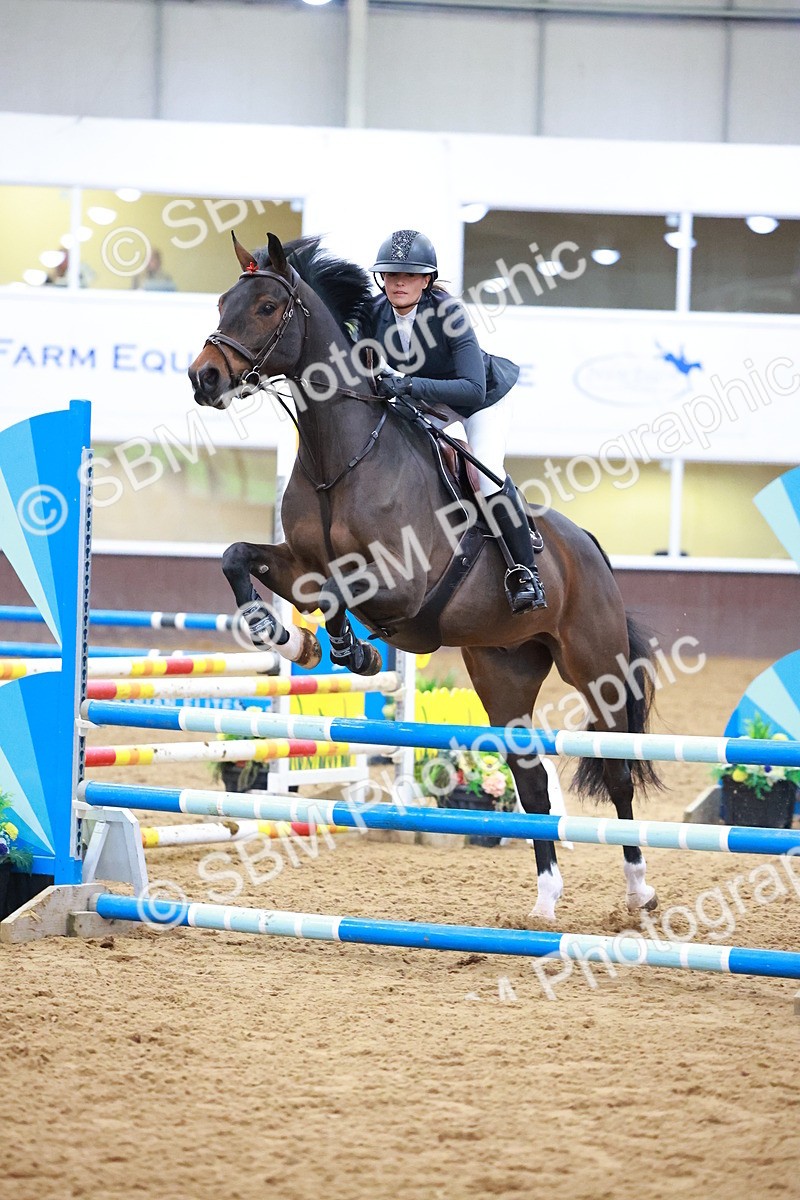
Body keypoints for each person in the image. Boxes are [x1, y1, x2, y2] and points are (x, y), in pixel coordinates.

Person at [364, 229, 546, 613]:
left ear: (426, 279)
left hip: (479, 402)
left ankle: (524, 572)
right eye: (391, 274)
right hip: (425, 401)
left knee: (485, 474)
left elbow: (471, 390)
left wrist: (408, 384)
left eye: (409, 275)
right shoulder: (373, 313)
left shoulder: (449, 314)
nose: (398, 282)